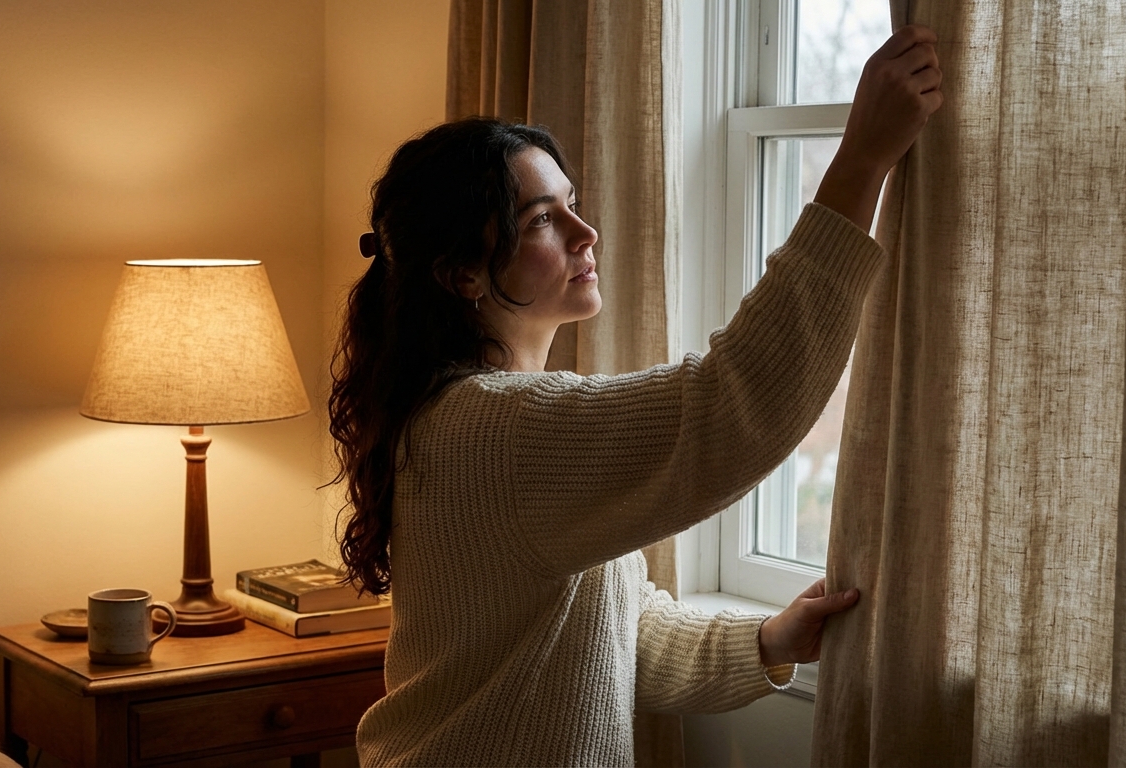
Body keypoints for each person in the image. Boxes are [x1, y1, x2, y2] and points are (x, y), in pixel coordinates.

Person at [329, 25, 943, 768]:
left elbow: (620, 630)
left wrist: (767, 640)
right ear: (461, 273)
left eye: (573, 203)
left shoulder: (478, 420)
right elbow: (730, 406)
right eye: (544, 221)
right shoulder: (494, 431)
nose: (586, 232)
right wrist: (860, 164)